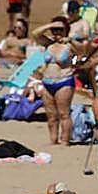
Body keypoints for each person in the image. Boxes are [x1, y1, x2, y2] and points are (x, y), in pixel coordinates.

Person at [35, 17, 76, 146]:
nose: (57, 32)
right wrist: (50, 25)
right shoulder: (48, 44)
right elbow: (35, 34)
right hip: (47, 82)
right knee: (51, 116)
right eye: (55, 30)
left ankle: (65, 140)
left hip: (64, 81)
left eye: (60, 29)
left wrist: (70, 39)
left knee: (64, 113)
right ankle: (53, 140)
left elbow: (84, 47)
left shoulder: (70, 45)